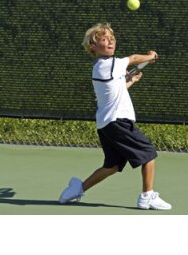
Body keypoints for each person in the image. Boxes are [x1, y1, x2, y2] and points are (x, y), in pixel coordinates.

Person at [59, 23, 172, 210]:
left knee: (112, 166)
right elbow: (134, 59)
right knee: (148, 154)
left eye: (112, 38)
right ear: (93, 46)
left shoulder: (103, 68)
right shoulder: (110, 64)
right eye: (104, 39)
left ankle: (77, 188)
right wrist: (151, 56)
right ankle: (147, 196)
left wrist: (129, 81)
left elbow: (116, 91)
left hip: (107, 124)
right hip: (118, 122)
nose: (110, 41)